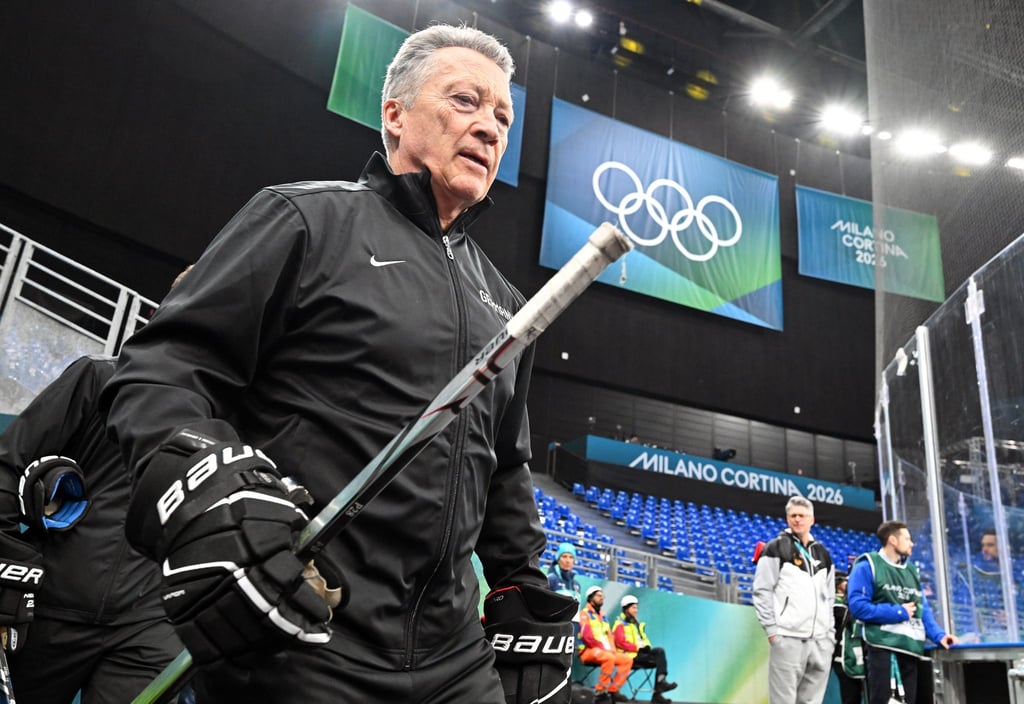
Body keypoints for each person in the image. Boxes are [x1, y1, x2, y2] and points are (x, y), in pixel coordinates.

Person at [101, 23, 577, 704]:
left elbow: (504, 470)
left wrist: (520, 582)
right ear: (395, 114)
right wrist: (203, 487)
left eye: (503, 116)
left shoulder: (509, 306)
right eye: (466, 102)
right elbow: (163, 371)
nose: (491, 128)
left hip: (453, 664)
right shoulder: (302, 220)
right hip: (302, 638)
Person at [0, 270, 199, 702]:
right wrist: (8, 567)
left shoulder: (234, 418)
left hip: (148, 623)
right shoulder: (97, 377)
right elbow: (6, 463)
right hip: (50, 607)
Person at [847, 520, 959, 704]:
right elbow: (858, 607)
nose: (911, 543)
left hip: (910, 649)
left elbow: (922, 609)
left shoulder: (911, 571)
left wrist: (939, 635)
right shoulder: (867, 566)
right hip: (883, 647)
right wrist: (898, 612)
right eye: (907, 538)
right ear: (892, 540)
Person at [752, 496, 835, 704]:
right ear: (788, 519)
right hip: (787, 638)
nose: (798, 519)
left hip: (820, 641)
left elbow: (830, 597)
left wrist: (829, 637)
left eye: (802, 515)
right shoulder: (775, 548)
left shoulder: (823, 554)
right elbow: (762, 591)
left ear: (812, 520)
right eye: (793, 516)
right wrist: (772, 632)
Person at [612, 594, 677, 703]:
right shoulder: (619, 624)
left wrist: (646, 647)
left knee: (659, 651)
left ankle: (660, 687)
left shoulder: (636, 625)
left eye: (636, 607)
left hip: (640, 655)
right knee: (658, 657)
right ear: (626, 609)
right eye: (633, 607)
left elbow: (643, 640)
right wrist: (638, 648)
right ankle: (659, 689)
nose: (636, 610)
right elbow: (620, 643)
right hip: (629, 657)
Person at [578, 585, 632, 703]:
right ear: (590, 598)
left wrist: (612, 649)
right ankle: (600, 692)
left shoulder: (603, 616)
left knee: (627, 660)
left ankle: (613, 690)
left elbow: (610, 636)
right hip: (588, 651)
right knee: (609, 658)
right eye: (598, 595)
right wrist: (605, 649)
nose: (602, 598)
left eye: (602, 595)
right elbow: (587, 637)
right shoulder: (584, 614)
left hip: (606, 651)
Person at [831, 573, 864, 704]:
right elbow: (845, 617)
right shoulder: (835, 605)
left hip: (857, 658)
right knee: (850, 697)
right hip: (843, 658)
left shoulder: (851, 602)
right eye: (845, 581)